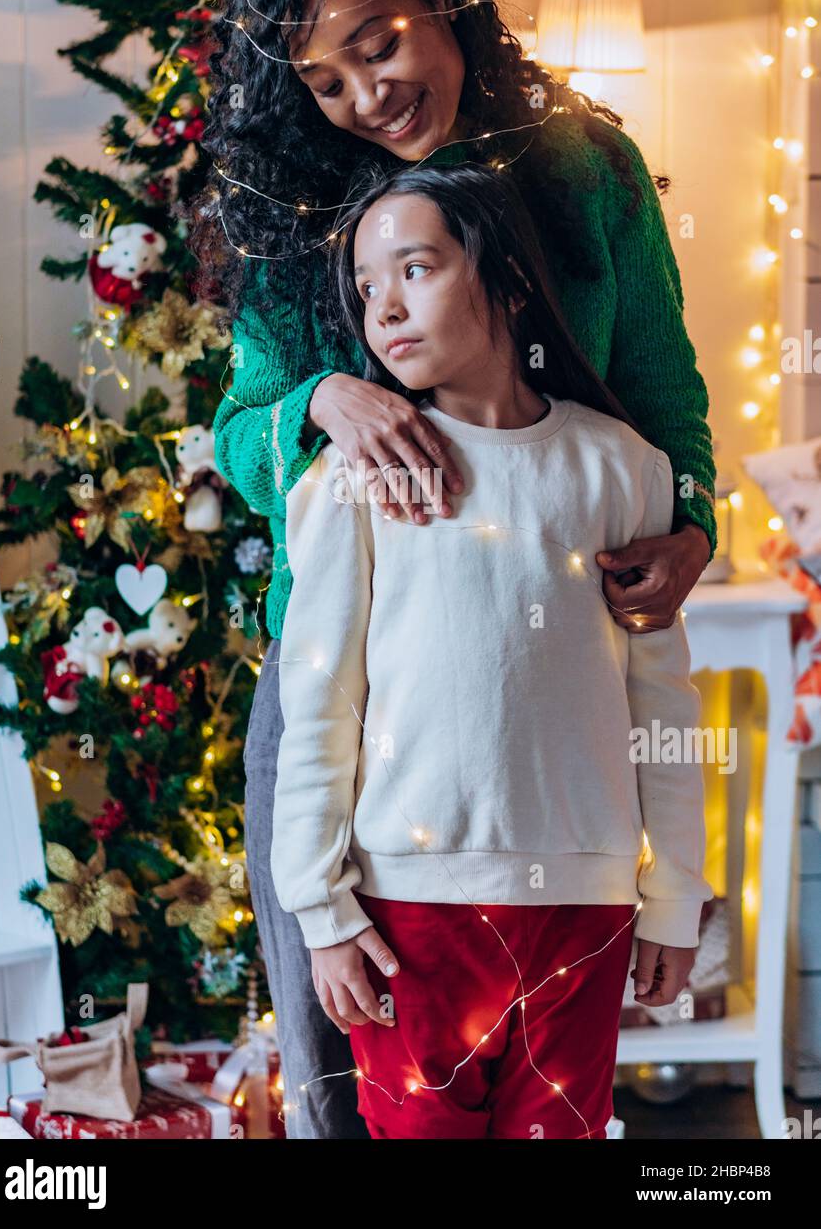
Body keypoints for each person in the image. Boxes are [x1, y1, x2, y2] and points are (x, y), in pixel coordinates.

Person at [191, 0, 717, 1138]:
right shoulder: (300, 216)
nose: (367, 93)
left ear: (442, 0)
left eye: (378, 42)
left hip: (551, 727)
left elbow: (664, 396)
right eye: (326, 79)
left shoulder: (586, 172)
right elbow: (234, 430)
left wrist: (689, 526)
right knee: (350, 1080)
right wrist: (321, 400)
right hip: (348, 710)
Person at [269, 160, 714, 1139]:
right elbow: (321, 699)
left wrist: (673, 898)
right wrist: (319, 908)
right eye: (366, 288)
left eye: (414, 269)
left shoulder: (624, 470)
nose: (383, 306)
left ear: (506, 279)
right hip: (407, 918)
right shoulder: (351, 482)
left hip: (584, 913)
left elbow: (663, 710)